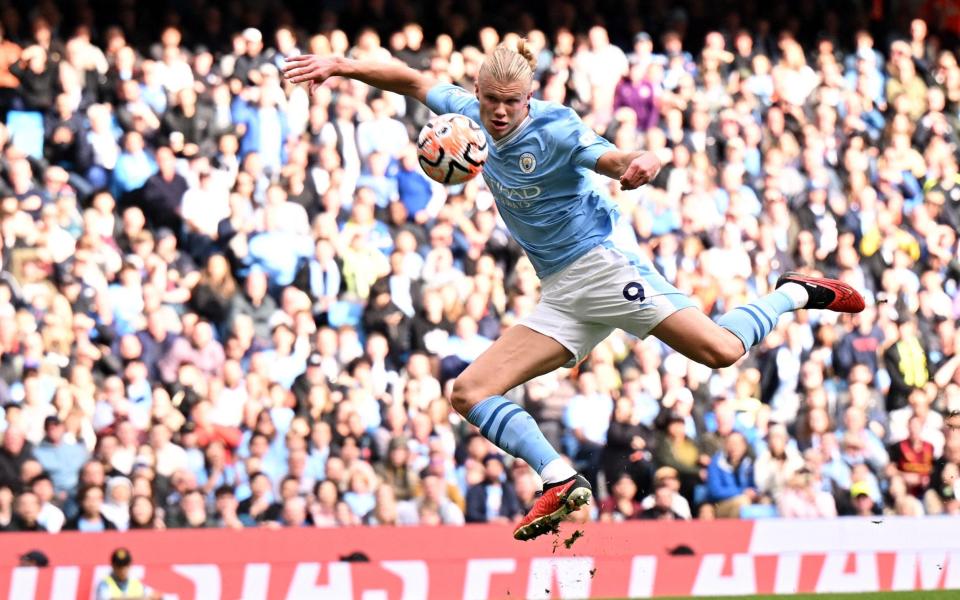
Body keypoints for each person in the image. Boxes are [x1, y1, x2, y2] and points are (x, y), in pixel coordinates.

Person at [284, 37, 865, 541]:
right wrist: (340, 65)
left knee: (719, 351)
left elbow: (610, 157)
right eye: (493, 102)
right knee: (468, 393)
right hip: (560, 291)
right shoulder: (465, 116)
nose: (502, 113)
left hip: (603, 268)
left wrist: (640, 163)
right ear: (479, 95)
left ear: (529, 98)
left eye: (513, 103)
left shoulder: (556, 127)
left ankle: (793, 291)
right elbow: (413, 79)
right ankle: (561, 480)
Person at [95, 548, 159, 600]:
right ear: (113, 566)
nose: (122, 569)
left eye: (125, 565)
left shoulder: (137, 583)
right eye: (119, 566)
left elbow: (154, 596)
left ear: (130, 565)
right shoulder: (104, 584)